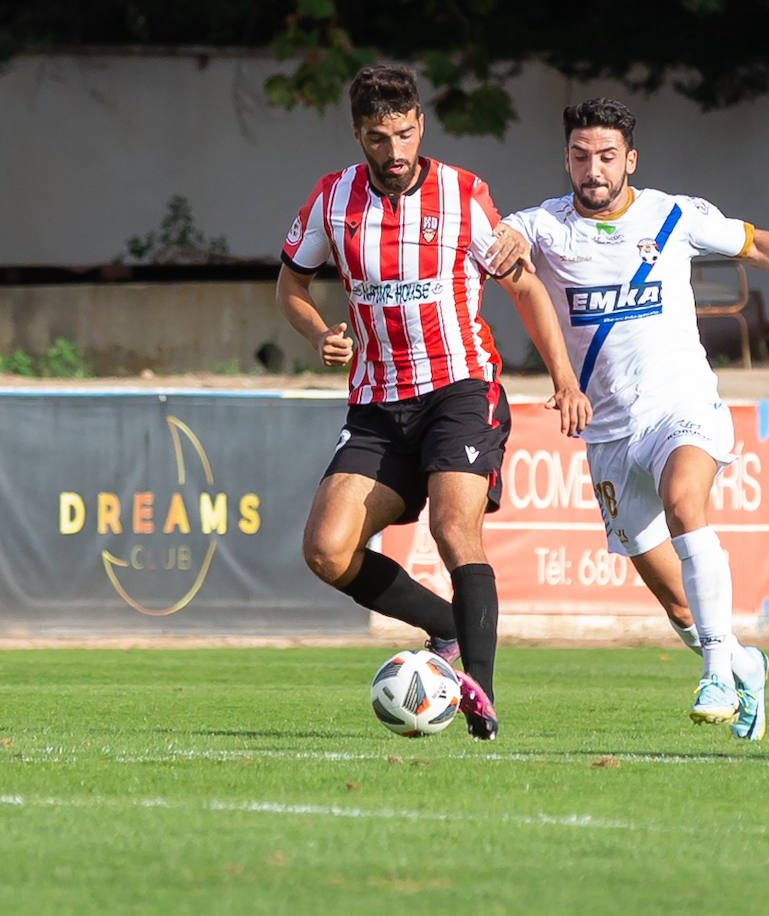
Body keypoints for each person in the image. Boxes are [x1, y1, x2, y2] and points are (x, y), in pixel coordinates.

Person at [501, 98, 769, 740]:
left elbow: (759, 246)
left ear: (630, 159)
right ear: (567, 160)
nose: (593, 170)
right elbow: (508, 247)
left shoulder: (673, 215)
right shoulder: (545, 226)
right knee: (677, 603)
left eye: (607, 156)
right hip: (607, 431)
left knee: (686, 502)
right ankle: (745, 662)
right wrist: (505, 242)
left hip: (680, 405)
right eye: (581, 157)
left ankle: (717, 676)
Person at [277, 65, 590, 741]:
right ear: (357, 134)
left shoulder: (463, 194)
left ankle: (479, 692)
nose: (394, 151)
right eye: (378, 137)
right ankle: (446, 627)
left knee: (454, 531)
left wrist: (563, 378)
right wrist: (318, 332)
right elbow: (290, 286)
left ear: (420, 122)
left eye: (405, 132)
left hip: (460, 389)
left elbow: (527, 289)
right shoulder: (332, 199)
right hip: (377, 405)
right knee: (327, 551)